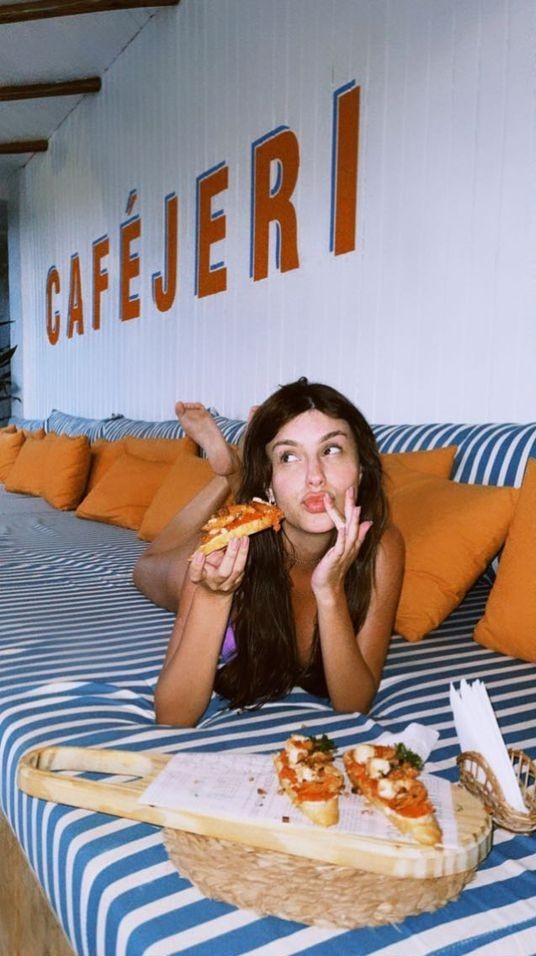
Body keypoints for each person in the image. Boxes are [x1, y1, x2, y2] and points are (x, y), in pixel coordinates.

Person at [133, 378, 405, 727]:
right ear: (268, 483)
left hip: (265, 513)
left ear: (362, 469)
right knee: (145, 566)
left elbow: (353, 704)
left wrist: (330, 591)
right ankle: (228, 474)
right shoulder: (226, 550)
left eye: (331, 450)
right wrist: (214, 597)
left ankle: (234, 470)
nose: (315, 477)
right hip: (226, 551)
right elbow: (172, 716)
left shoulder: (380, 545)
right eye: (288, 457)